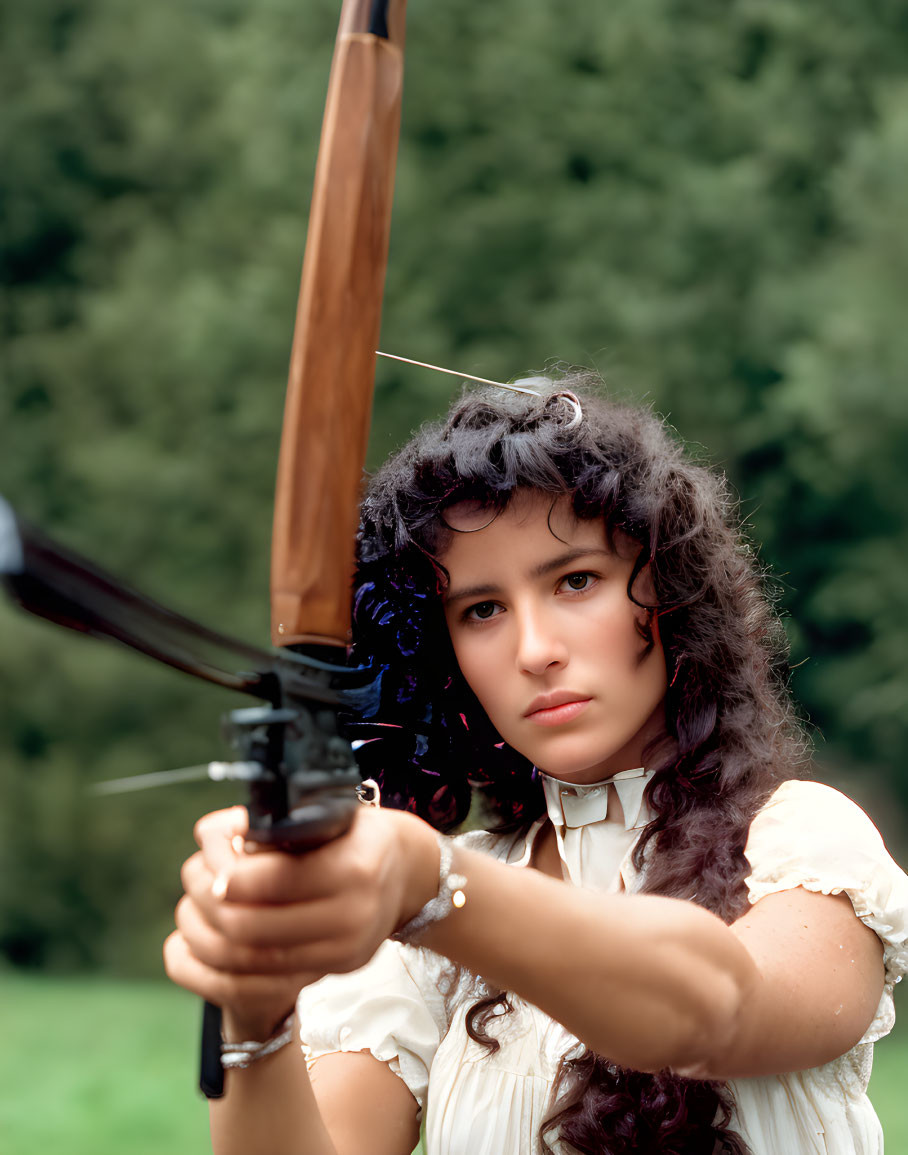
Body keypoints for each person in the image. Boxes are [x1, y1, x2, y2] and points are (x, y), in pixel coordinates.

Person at [164, 376, 908, 1155]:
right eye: (481, 609)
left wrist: (431, 886)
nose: (533, 649)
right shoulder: (434, 912)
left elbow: (717, 1008)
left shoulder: (802, 841)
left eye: (575, 580)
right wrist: (256, 1011)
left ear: (670, 591)